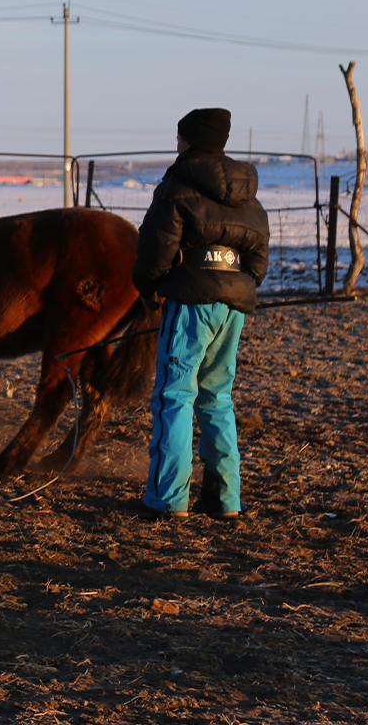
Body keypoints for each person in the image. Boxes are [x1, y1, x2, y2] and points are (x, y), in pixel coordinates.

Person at [131, 107, 268, 519]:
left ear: (188, 141)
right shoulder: (249, 192)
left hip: (189, 303)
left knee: (175, 395)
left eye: (179, 138)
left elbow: (156, 247)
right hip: (234, 307)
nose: (177, 144)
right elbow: (258, 260)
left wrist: (147, 287)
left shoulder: (176, 185)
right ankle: (225, 500)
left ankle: (168, 500)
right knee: (217, 398)